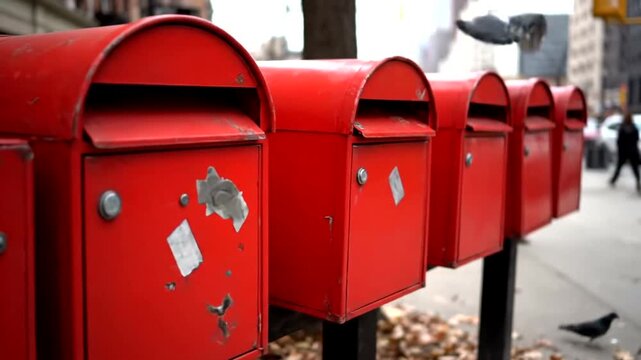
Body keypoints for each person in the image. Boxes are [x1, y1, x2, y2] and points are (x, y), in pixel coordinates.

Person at [609, 112, 640, 192]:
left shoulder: (622, 128)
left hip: (624, 152)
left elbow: (619, 141)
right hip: (633, 151)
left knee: (619, 167)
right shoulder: (634, 128)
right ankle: (638, 181)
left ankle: (613, 180)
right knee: (634, 168)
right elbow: (636, 139)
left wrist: (620, 150)